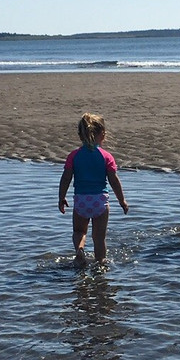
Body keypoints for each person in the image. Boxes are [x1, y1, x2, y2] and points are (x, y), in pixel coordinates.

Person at [58, 112, 129, 265]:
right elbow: (113, 180)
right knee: (99, 238)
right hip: (99, 201)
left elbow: (66, 178)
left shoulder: (74, 156)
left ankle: (80, 250)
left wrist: (61, 197)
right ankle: (101, 263)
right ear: (102, 135)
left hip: (81, 201)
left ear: (80, 135)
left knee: (79, 231)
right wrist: (122, 200)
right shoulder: (106, 156)